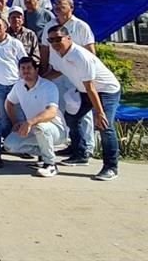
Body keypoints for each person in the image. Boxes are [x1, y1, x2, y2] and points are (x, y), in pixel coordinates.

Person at [45, 26, 121, 181]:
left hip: (106, 91)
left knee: (105, 126)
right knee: (71, 118)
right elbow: (58, 71)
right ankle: (79, 154)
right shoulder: (57, 54)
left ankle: (111, 167)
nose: (55, 43)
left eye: (58, 39)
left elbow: (91, 87)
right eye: (51, 40)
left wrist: (99, 113)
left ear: (69, 38)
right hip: (85, 91)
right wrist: (39, 79)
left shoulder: (80, 56)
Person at [4, 57, 67, 178]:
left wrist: (29, 122)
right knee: (9, 145)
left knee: (40, 127)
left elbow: (52, 112)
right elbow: (9, 103)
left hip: (56, 130)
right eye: (23, 68)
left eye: (29, 68)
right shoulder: (18, 86)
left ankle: (50, 164)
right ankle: (44, 153)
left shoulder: (49, 86)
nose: (26, 71)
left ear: (36, 70)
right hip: (33, 128)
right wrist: (15, 122)